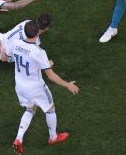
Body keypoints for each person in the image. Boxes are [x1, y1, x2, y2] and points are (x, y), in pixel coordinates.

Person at [11, 21, 79, 154]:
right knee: (50, 109)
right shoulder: (39, 52)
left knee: (30, 109)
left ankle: (18, 139)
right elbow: (51, 76)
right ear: (37, 33)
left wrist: (45, 63)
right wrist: (68, 85)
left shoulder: (16, 43)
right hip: (36, 87)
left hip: (20, 85)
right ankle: (53, 137)